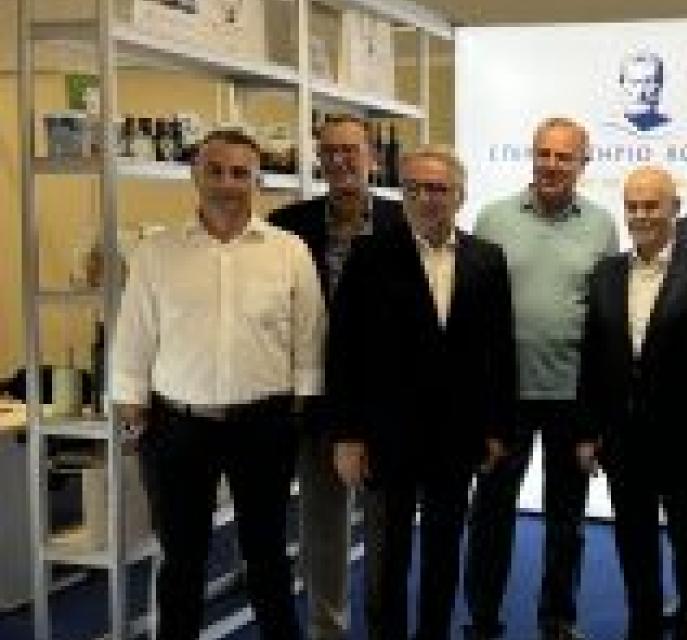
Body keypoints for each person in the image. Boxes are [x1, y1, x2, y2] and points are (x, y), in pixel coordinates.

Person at [111, 129, 325, 640]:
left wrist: (303, 404)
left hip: (264, 426)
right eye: (215, 170)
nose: (227, 183)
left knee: (267, 555)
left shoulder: (289, 252)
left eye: (239, 173)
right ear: (195, 175)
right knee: (182, 560)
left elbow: (310, 333)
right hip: (178, 428)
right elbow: (135, 332)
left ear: (257, 180)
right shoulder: (157, 253)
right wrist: (130, 402)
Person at [329, 145, 515, 640]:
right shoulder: (369, 256)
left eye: (437, 189)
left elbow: (499, 351)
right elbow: (344, 351)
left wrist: (497, 427)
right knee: (386, 558)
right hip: (386, 436)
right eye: (413, 189)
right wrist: (347, 435)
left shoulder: (487, 259)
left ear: (460, 195)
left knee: (443, 551)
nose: (425, 199)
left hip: (458, 435)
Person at [464, 117, 619, 640]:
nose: (552, 165)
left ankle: (558, 618)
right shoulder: (493, 218)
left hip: (572, 396)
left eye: (564, 157)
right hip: (503, 397)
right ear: (532, 157)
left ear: (583, 164)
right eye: (544, 154)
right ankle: (482, 618)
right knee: (491, 514)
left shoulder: (602, 226)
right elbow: (475, 314)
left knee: (566, 520)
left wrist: (599, 414)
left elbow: (606, 321)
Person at [575, 166, 687, 640]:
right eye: (633, 206)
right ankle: (643, 626)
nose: (641, 215)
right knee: (634, 545)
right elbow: (592, 358)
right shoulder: (606, 273)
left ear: (675, 209)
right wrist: (587, 432)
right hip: (623, 440)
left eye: (652, 205)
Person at [266, 112, 402, 640]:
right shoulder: (286, 226)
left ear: (373, 157)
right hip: (316, 400)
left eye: (352, 150)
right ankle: (328, 628)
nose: (341, 160)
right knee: (322, 526)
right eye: (330, 150)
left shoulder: (402, 221)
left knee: (387, 529)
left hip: (386, 402)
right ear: (318, 158)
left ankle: (384, 627)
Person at [619, 51, 671, 133]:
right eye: (635, 82)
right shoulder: (613, 128)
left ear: (659, 83)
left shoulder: (671, 128)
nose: (641, 89)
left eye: (648, 81)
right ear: (623, 83)